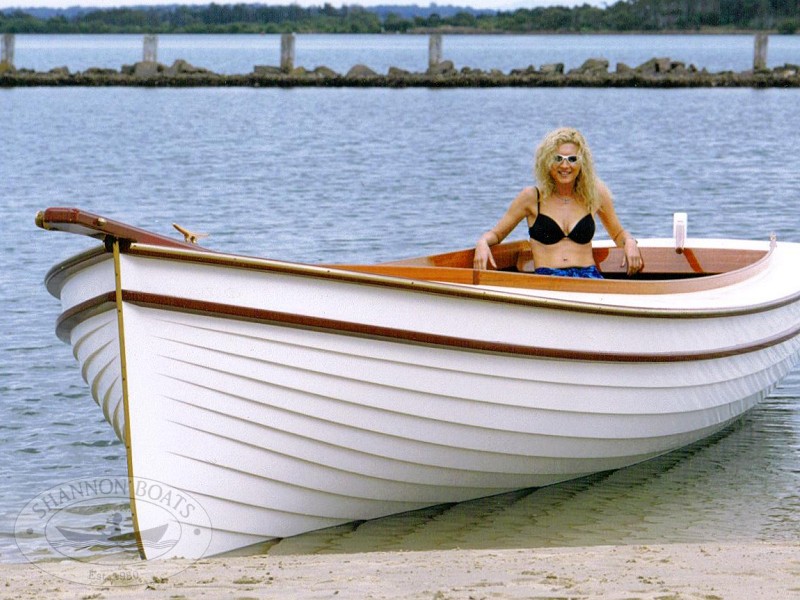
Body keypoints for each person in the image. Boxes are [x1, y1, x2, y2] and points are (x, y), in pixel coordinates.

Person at [473, 127, 643, 278]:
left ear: (582, 163)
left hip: (589, 277)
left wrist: (629, 242)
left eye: (572, 159)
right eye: (558, 158)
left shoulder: (595, 193)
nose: (565, 165)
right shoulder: (531, 197)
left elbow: (618, 234)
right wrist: (482, 243)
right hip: (548, 280)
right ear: (547, 162)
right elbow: (497, 234)